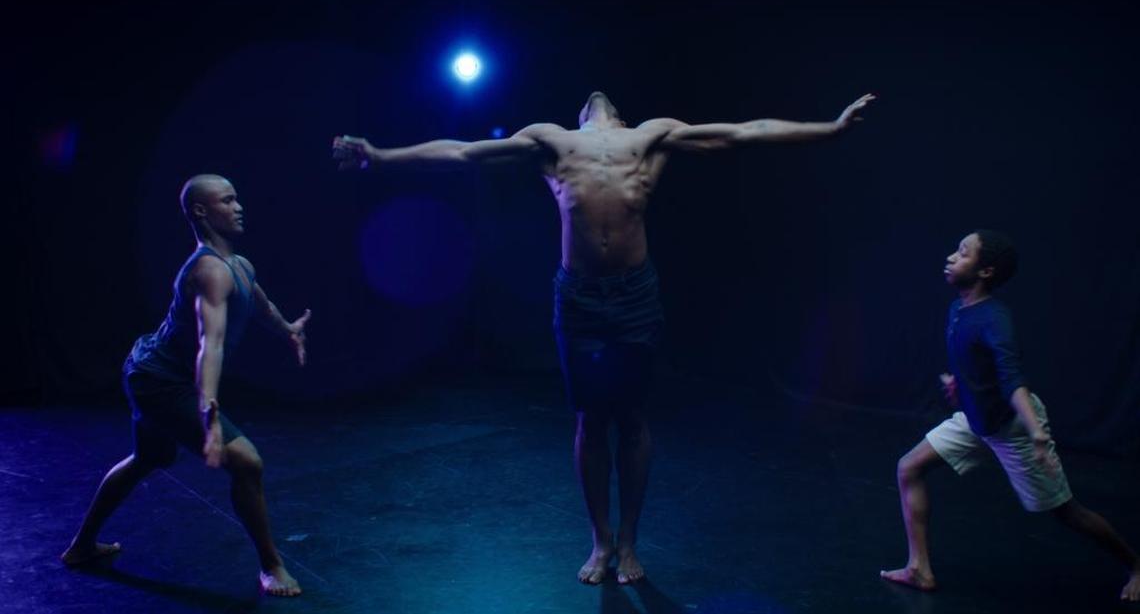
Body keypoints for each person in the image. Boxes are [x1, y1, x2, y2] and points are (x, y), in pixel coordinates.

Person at [333, 90, 875, 584]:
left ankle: (631, 542)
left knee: (633, 419)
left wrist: (830, 127)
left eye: (604, 99)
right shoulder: (551, 139)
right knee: (591, 421)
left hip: (635, 297)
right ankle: (600, 541)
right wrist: (382, 156)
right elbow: (463, 152)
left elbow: (744, 130)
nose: (595, 97)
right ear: (582, 114)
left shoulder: (651, 134)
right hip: (580, 298)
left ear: (619, 114)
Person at [60, 174, 310, 597]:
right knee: (246, 462)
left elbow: (259, 305)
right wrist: (209, 414)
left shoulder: (240, 266)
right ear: (201, 211)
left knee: (148, 457)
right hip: (160, 380)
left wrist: (288, 329)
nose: (238, 206)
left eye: (237, 198)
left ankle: (81, 548)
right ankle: (271, 566)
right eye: (227, 200)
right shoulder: (208, 270)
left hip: (148, 369)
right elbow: (209, 345)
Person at [880, 230, 1140, 601]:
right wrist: (961, 387)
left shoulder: (995, 320)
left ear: (986, 271)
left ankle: (1136, 564)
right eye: (956, 250)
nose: (952, 257)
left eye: (964, 253)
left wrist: (1037, 434)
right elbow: (976, 364)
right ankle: (919, 569)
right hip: (976, 419)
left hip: (1012, 426)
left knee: (1066, 513)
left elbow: (1012, 379)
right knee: (908, 468)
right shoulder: (958, 308)